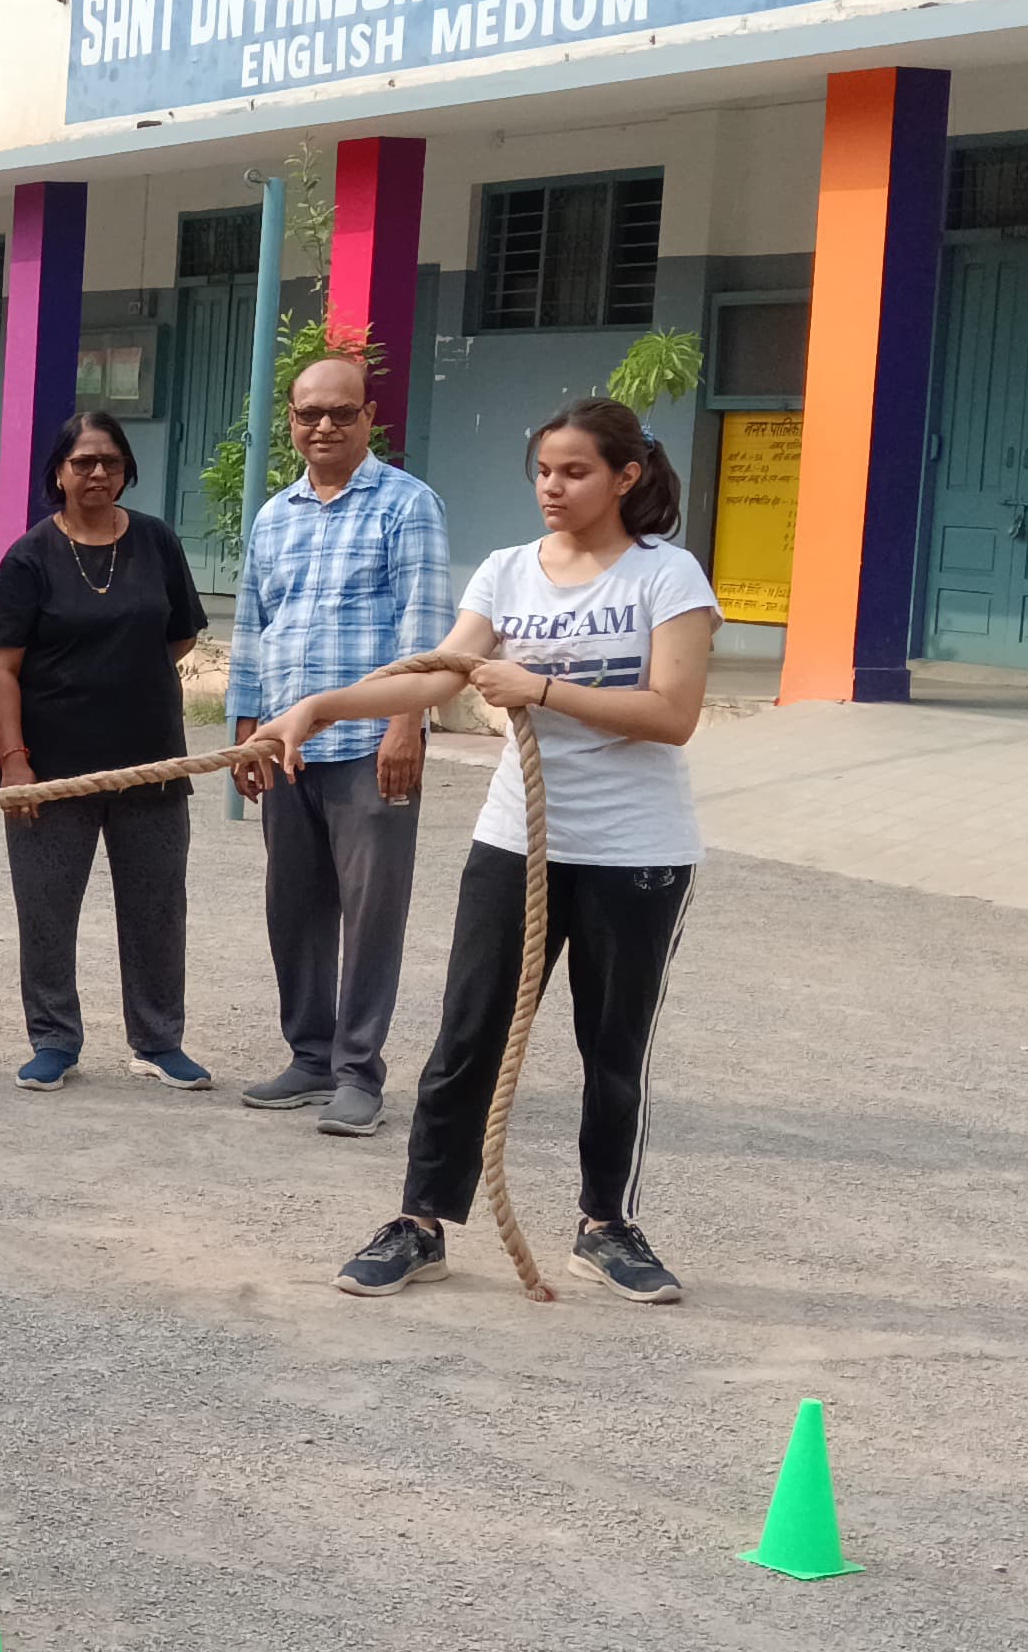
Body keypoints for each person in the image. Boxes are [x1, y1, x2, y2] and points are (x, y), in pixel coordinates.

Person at [241, 396, 719, 1306]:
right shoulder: (506, 573)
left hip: (635, 851)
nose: (553, 487)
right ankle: (421, 1222)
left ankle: (605, 1225)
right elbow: (434, 670)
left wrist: (539, 685)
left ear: (626, 477)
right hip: (515, 842)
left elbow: (673, 715)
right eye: (544, 470)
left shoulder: (668, 576)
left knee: (612, 1046)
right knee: (467, 1036)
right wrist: (315, 709)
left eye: (575, 472)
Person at [227, 353, 449, 1139]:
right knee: (294, 907)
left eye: (340, 414)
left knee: (371, 910)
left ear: (367, 419)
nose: (322, 426)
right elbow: (254, 626)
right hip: (286, 745)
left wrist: (405, 727)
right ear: (290, 418)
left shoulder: (407, 505)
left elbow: (425, 632)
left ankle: (359, 1072)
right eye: (307, 413)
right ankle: (309, 1055)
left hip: (368, 746)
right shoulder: (275, 514)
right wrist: (246, 730)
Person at [0, 410, 212, 1091]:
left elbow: (179, 636)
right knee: (47, 909)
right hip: (51, 766)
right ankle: (53, 1040)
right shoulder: (30, 557)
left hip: (152, 763)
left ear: (127, 468)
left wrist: (122, 676)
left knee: (157, 907)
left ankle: (158, 1041)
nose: (98, 473)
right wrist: (15, 758)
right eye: (83, 462)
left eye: (110, 460)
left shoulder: (157, 543)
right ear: (58, 472)